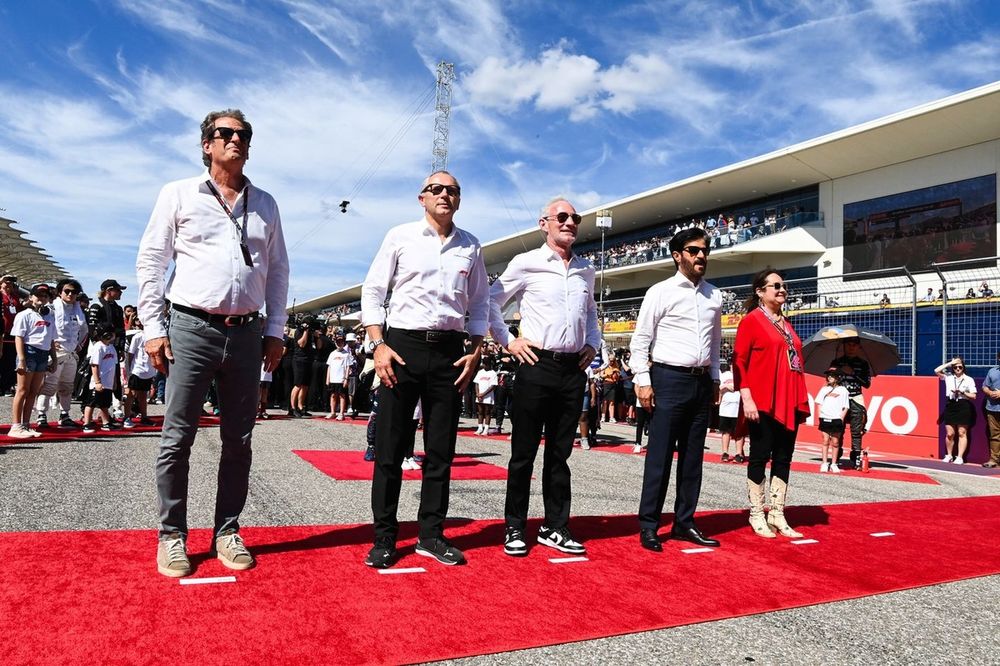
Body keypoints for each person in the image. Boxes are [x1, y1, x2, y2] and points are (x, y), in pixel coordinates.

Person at [136, 108, 289, 578]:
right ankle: (172, 536)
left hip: (246, 332)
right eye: (226, 134)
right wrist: (153, 327)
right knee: (177, 435)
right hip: (190, 326)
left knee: (238, 439)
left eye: (244, 134)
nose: (236, 140)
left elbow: (278, 270)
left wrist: (275, 330)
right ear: (207, 144)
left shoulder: (264, 202)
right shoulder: (179, 193)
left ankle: (227, 530)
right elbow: (152, 259)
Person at [360, 170, 488, 569]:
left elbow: (480, 301)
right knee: (390, 449)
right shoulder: (400, 236)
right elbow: (374, 290)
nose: (444, 195)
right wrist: (378, 344)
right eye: (436, 189)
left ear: (460, 199)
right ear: (421, 198)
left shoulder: (471, 246)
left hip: (450, 352)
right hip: (402, 347)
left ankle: (431, 535)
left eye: (452, 190)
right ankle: (384, 537)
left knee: (441, 451)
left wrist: (478, 347)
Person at [488, 196, 599, 557]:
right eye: (562, 217)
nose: (569, 222)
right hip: (536, 366)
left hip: (573, 370)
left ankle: (555, 526)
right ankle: (515, 526)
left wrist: (593, 345)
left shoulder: (586, 269)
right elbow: (491, 301)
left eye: (575, 217)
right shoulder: (527, 263)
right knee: (523, 453)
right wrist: (508, 341)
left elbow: (592, 313)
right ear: (544, 224)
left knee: (560, 454)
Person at [630, 227, 722, 553]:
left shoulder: (715, 296)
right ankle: (650, 525)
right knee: (660, 457)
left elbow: (715, 342)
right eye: (694, 250)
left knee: (693, 459)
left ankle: (685, 523)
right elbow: (640, 339)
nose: (701, 256)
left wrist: (715, 379)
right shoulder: (660, 291)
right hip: (668, 379)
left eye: (705, 251)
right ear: (677, 255)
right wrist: (642, 380)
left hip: (700, 383)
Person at [733, 268, 809, 539]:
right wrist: (746, 395)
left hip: (787, 398)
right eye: (775, 286)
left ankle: (777, 512)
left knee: (784, 458)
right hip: (763, 400)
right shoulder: (752, 321)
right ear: (760, 292)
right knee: (760, 455)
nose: (781, 289)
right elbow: (739, 360)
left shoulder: (785, 323)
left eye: (783, 286)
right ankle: (756, 512)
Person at [33, 278, 88, 429]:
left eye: (74, 292)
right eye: (67, 291)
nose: (70, 294)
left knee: (67, 386)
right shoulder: (51, 308)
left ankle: (65, 415)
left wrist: (79, 346)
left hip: (71, 353)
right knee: (49, 386)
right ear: (59, 292)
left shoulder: (79, 311)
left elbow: (84, 330)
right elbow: (41, 326)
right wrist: (50, 342)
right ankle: (41, 415)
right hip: (55, 353)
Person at [8, 284, 56, 438]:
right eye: (38, 295)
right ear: (31, 297)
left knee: (34, 392)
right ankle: (16, 426)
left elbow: (51, 339)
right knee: (22, 390)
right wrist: (21, 359)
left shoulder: (50, 315)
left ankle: (26, 424)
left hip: (43, 354)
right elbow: (19, 337)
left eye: (44, 296)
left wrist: (54, 358)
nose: (41, 298)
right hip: (28, 352)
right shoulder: (24, 315)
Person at [830, 338, 872, 470]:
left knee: (856, 431)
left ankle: (856, 459)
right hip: (839, 400)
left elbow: (867, 384)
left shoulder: (863, 364)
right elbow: (830, 381)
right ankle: (836, 457)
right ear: (843, 346)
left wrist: (852, 373)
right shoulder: (836, 362)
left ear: (858, 347)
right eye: (848, 345)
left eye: (854, 345)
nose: (851, 347)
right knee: (838, 429)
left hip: (856, 399)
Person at [935, 356, 976, 464]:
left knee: (962, 432)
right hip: (951, 404)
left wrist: (963, 392)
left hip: (963, 405)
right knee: (950, 433)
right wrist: (950, 363)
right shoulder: (948, 377)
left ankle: (960, 457)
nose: (958, 369)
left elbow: (973, 396)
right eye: (955, 367)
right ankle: (949, 455)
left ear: (963, 368)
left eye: (960, 367)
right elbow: (936, 370)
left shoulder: (969, 379)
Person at [82, 325, 122, 434]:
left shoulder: (112, 348)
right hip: (98, 382)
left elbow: (113, 366)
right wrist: (97, 382)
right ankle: (86, 423)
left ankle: (106, 423)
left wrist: (114, 382)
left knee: (105, 404)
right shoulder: (98, 347)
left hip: (108, 382)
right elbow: (94, 365)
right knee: (91, 403)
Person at [122, 319, 156, 428]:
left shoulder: (155, 337)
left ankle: (144, 417)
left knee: (143, 395)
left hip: (149, 370)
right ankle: (127, 416)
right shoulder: (138, 336)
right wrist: (130, 370)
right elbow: (131, 353)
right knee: (131, 394)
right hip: (137, 369)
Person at [815, 368, 849, 473]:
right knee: (825, 441)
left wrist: (841, 418)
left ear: (838, 378)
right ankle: (824, 463)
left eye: (832, 375)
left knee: (835, 442)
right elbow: (819, 403)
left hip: (836, 419)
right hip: (825, 418)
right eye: (828, 375)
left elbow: (846, 406)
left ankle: (834, 464)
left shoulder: (843, 390)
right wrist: (820, 416)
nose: (829, 377)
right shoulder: (824, 389)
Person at [0, 274, 24, 396]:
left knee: (10, 360)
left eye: (11, 282)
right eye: (6, 281)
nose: (9, 283)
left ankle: (6, 386)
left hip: (12, 332)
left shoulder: (14, 297)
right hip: (2, 332)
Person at [717, 361, 744, 463]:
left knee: (739, 433)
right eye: (732, 364)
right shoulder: (725, 375)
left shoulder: (742, 375)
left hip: (738, 408)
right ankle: (725, 452)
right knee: (725, 431)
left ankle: (738, 453)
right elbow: (719, 387)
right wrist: (726, 386)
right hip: (725, 408)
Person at [325, 333, 351, 420]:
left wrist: (346, 379)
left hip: (341, 379)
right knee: (333, 395)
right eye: (337, 342)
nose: (339, 343)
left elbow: (348, 367)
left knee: (342, 396)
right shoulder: (332, 354)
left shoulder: (346, 354)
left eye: (341, 342)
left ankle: (341, 413)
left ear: (344, 343)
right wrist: (327, 379)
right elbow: (329, 366)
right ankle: (332, 412)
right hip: (333, 378)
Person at [982, 352, 1000, 468]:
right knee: (995, 435)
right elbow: (984, 386)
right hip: (992, 408)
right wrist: (989, 392)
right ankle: (994, 460)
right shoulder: (992, 371)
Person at [473, 356, 497, 435]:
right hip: (479, 395)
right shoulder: (480, 372)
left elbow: (493, 386)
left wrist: (483, 394)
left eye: (487, 364)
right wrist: (478, 393)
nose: (485, 366)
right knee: (480, 412)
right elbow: (476, 383)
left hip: (488, 396)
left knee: (487, 412)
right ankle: (480, 428)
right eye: (484, 364)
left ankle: (486, 428)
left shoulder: (493, 373)